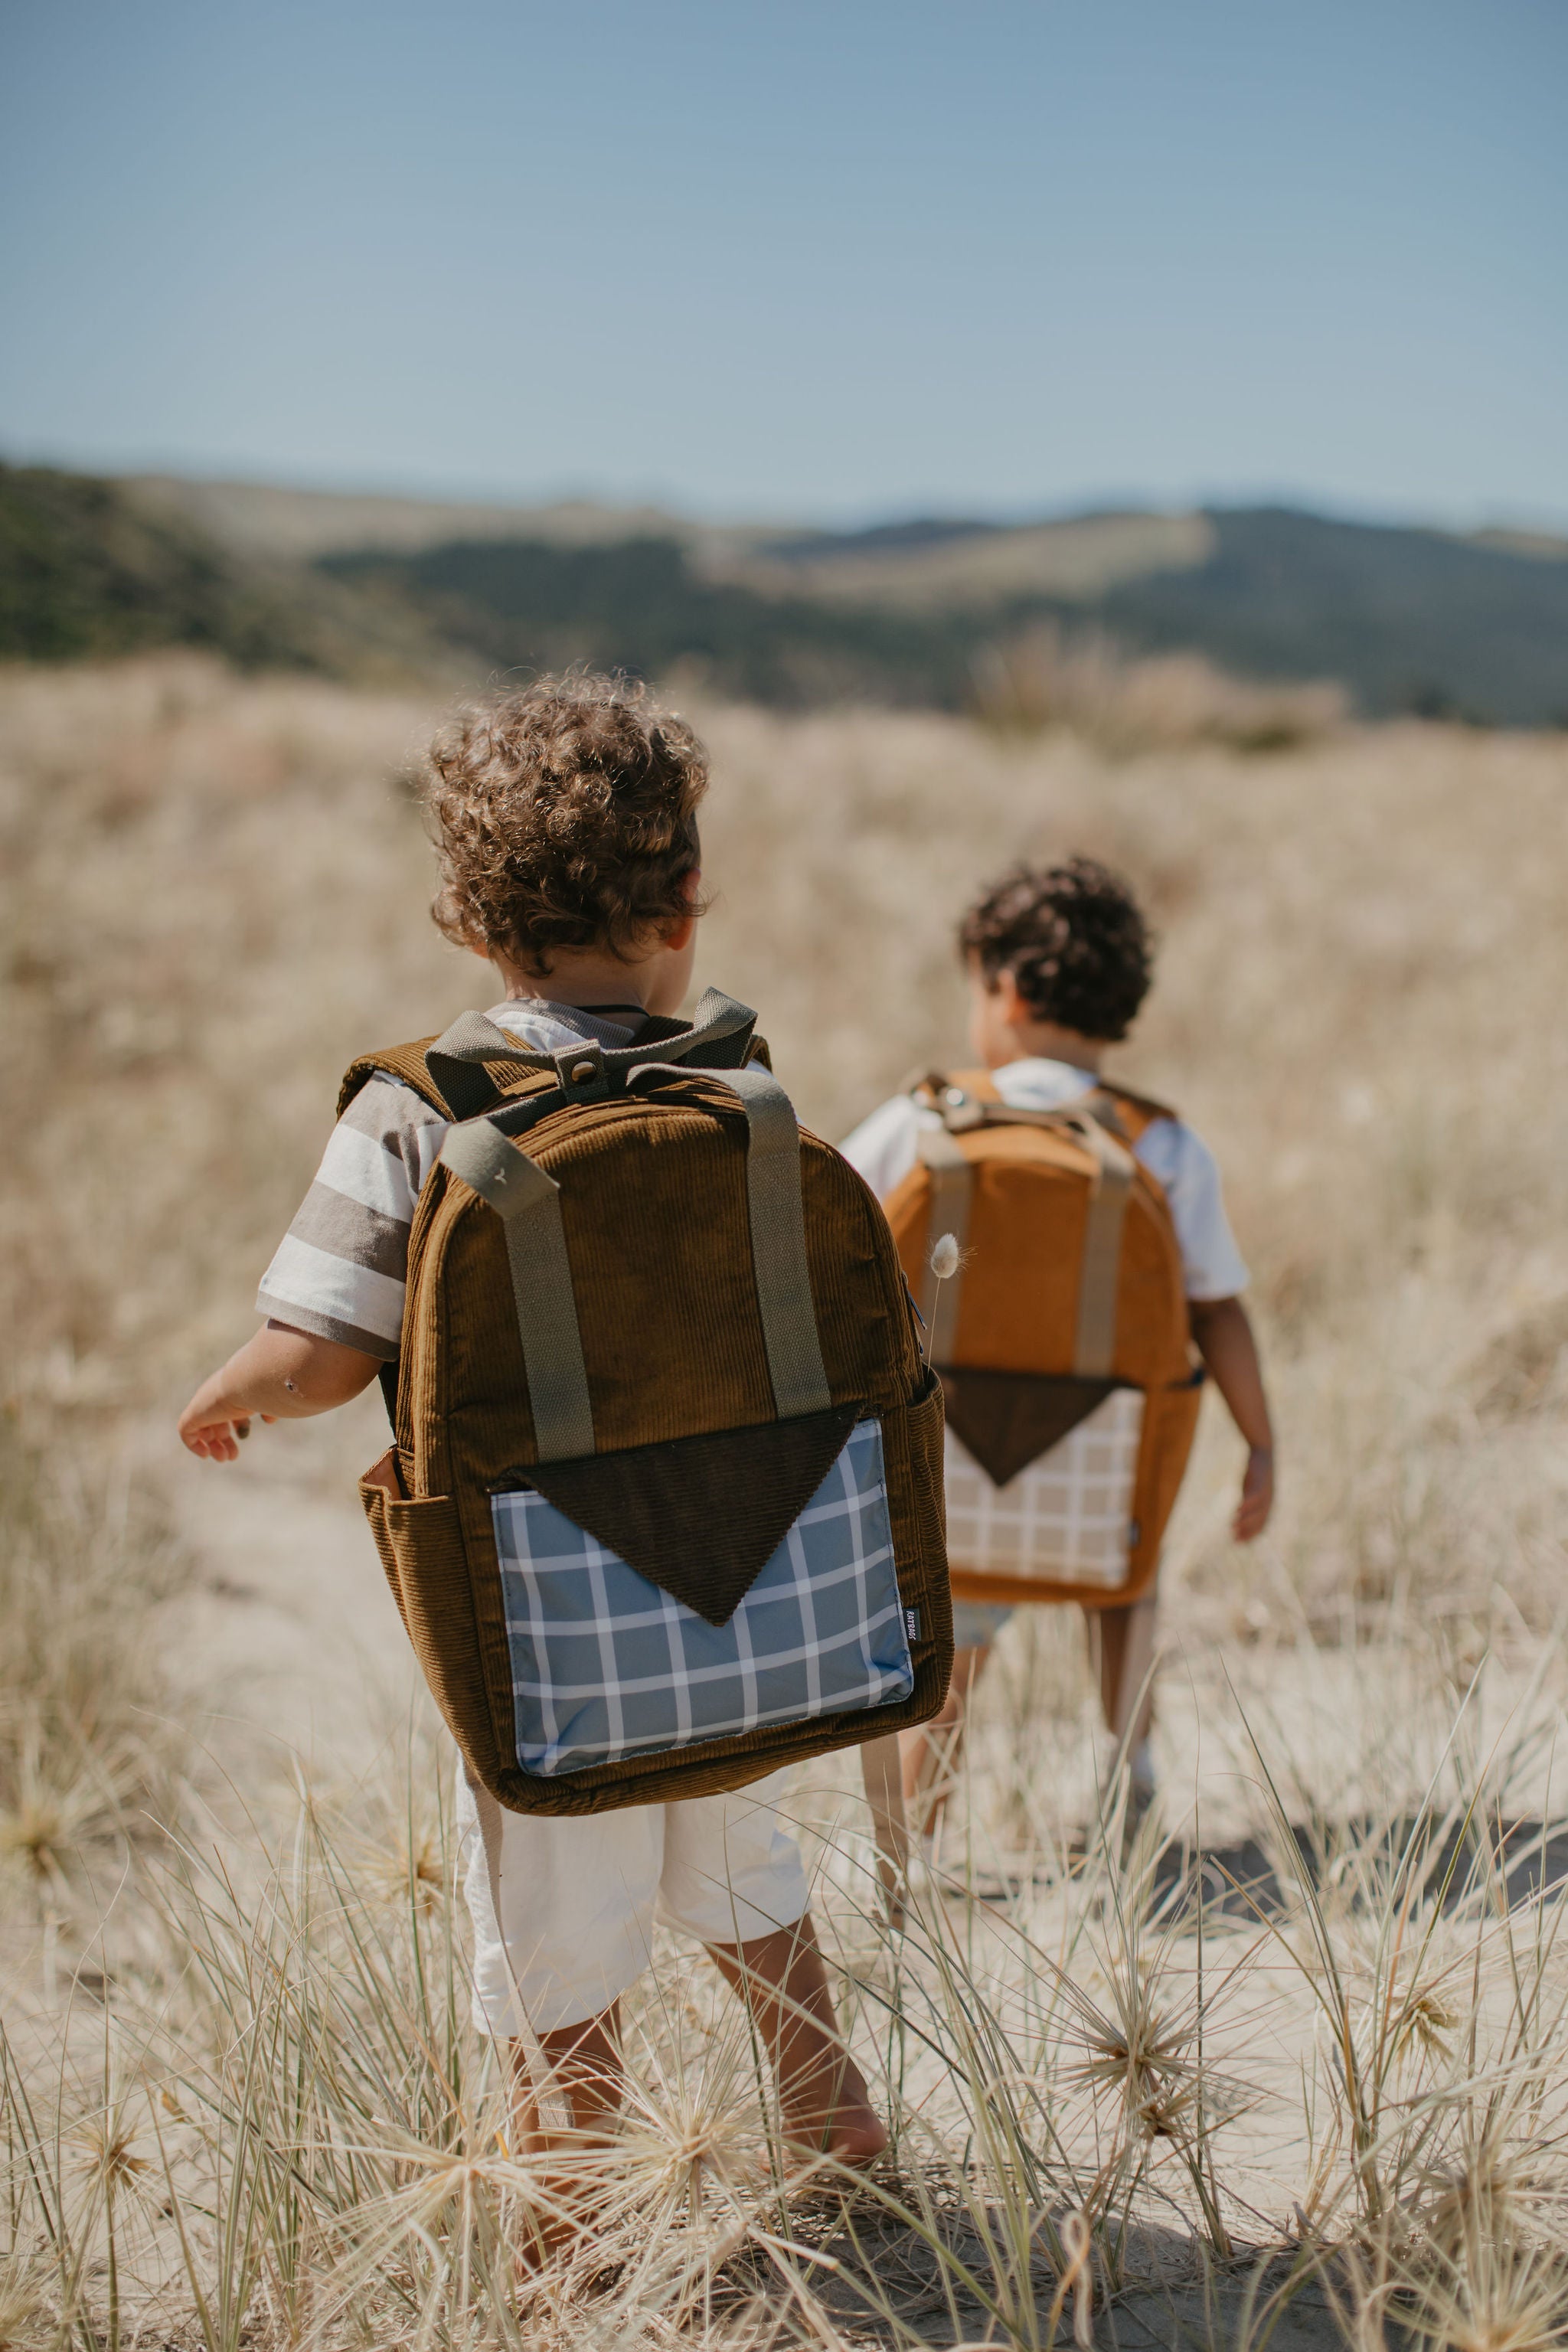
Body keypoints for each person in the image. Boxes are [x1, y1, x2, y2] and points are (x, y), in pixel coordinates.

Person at [176, 675, 887, 2205]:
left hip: (549, 1614)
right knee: (743, 1851)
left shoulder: (424, 1110)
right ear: (687, 898)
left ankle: (571, 2209)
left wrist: (231, 1393)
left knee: (551, 1913)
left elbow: (319, 1352)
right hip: (748, 1575)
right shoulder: (735, 1092)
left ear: (467, 915)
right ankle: (825, 2104)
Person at [839, 858, 1274, 1832]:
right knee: (1123, 1595)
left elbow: (825, 1240)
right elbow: (1218, 1310)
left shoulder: (921, 1121)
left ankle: (922, 1829)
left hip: (951, 1468)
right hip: (1105, 1482)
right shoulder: (1159, 1144)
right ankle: (1130, 1785)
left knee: (954, 1647)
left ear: (1003, 985)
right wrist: (1262, 1444)